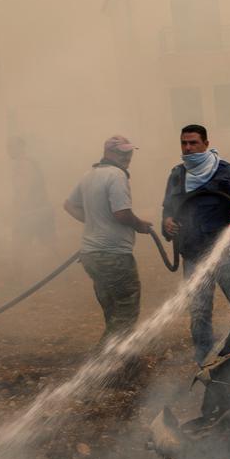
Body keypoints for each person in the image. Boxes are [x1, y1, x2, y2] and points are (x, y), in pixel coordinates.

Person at [161, 124, 230, 364]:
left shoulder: (223, 171)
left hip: (226, 253)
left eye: (193, 143)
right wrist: (168, 222)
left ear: (205, 143)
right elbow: (168, 208)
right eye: (184, 143)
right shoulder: (177, 174)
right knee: (199, 311)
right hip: (193, 254)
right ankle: (205, 361)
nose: (188, 148)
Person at [63, 135, 154, 344]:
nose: (127, 157)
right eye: (122, 153)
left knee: (113, 313)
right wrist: (139, 225)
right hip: (114, 256)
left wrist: (95, 221)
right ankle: (102, 366)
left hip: (91, 256)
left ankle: (121, 362)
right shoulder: (117, 176)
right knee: (125, 313)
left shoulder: (89, 175)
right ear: (109, 153)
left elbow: (69, 205)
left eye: (129, 152)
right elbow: (122, 213)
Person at [8, 136, 55, 278]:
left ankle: (17, 277)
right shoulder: (26, 163)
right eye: (8, 147)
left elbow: (24, 190)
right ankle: (62, 273)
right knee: (49, 242)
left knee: (19, 243)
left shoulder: (24, 165)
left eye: (11, 147)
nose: (8, 151)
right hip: (41, 209)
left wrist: (18, 211)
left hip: (32, 212)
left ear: (21, 148)